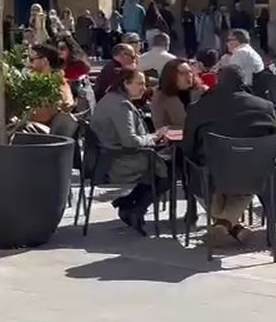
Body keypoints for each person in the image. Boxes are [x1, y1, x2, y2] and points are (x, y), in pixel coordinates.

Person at [182, 65, 276, 243]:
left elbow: (188, 146)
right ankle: (229, 224)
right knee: (251, 168)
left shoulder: (199, 107)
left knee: (193, 169)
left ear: (218, 81)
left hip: (211, 174)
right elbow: (275, 144)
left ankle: (223, 223)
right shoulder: (264, 106)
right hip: (253, 174)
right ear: (243, 82)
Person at [91, 67, 171, 234]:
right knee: (171, 170)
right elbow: (130, 141)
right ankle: (134, 209)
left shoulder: (110, 99)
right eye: (140, 83)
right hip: (120, 161)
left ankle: (127, 204)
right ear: (126, 83)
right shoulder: (121, 105)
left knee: (164, 166)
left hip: (109, 157)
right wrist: (154, 137)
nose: (144, 87)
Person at [27, 44, 77, 138]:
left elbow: (65, 105)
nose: (29, 63)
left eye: (32, 59)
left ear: (45, 61)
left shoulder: (58, 83)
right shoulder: (33, 79)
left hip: (46, 135)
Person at [150, 58, 202, 132]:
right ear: (171, 76)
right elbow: (160, 127)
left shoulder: (201, 92)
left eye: (190, 72)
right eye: (182, 73)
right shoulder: (161, 97)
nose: (189, 75)